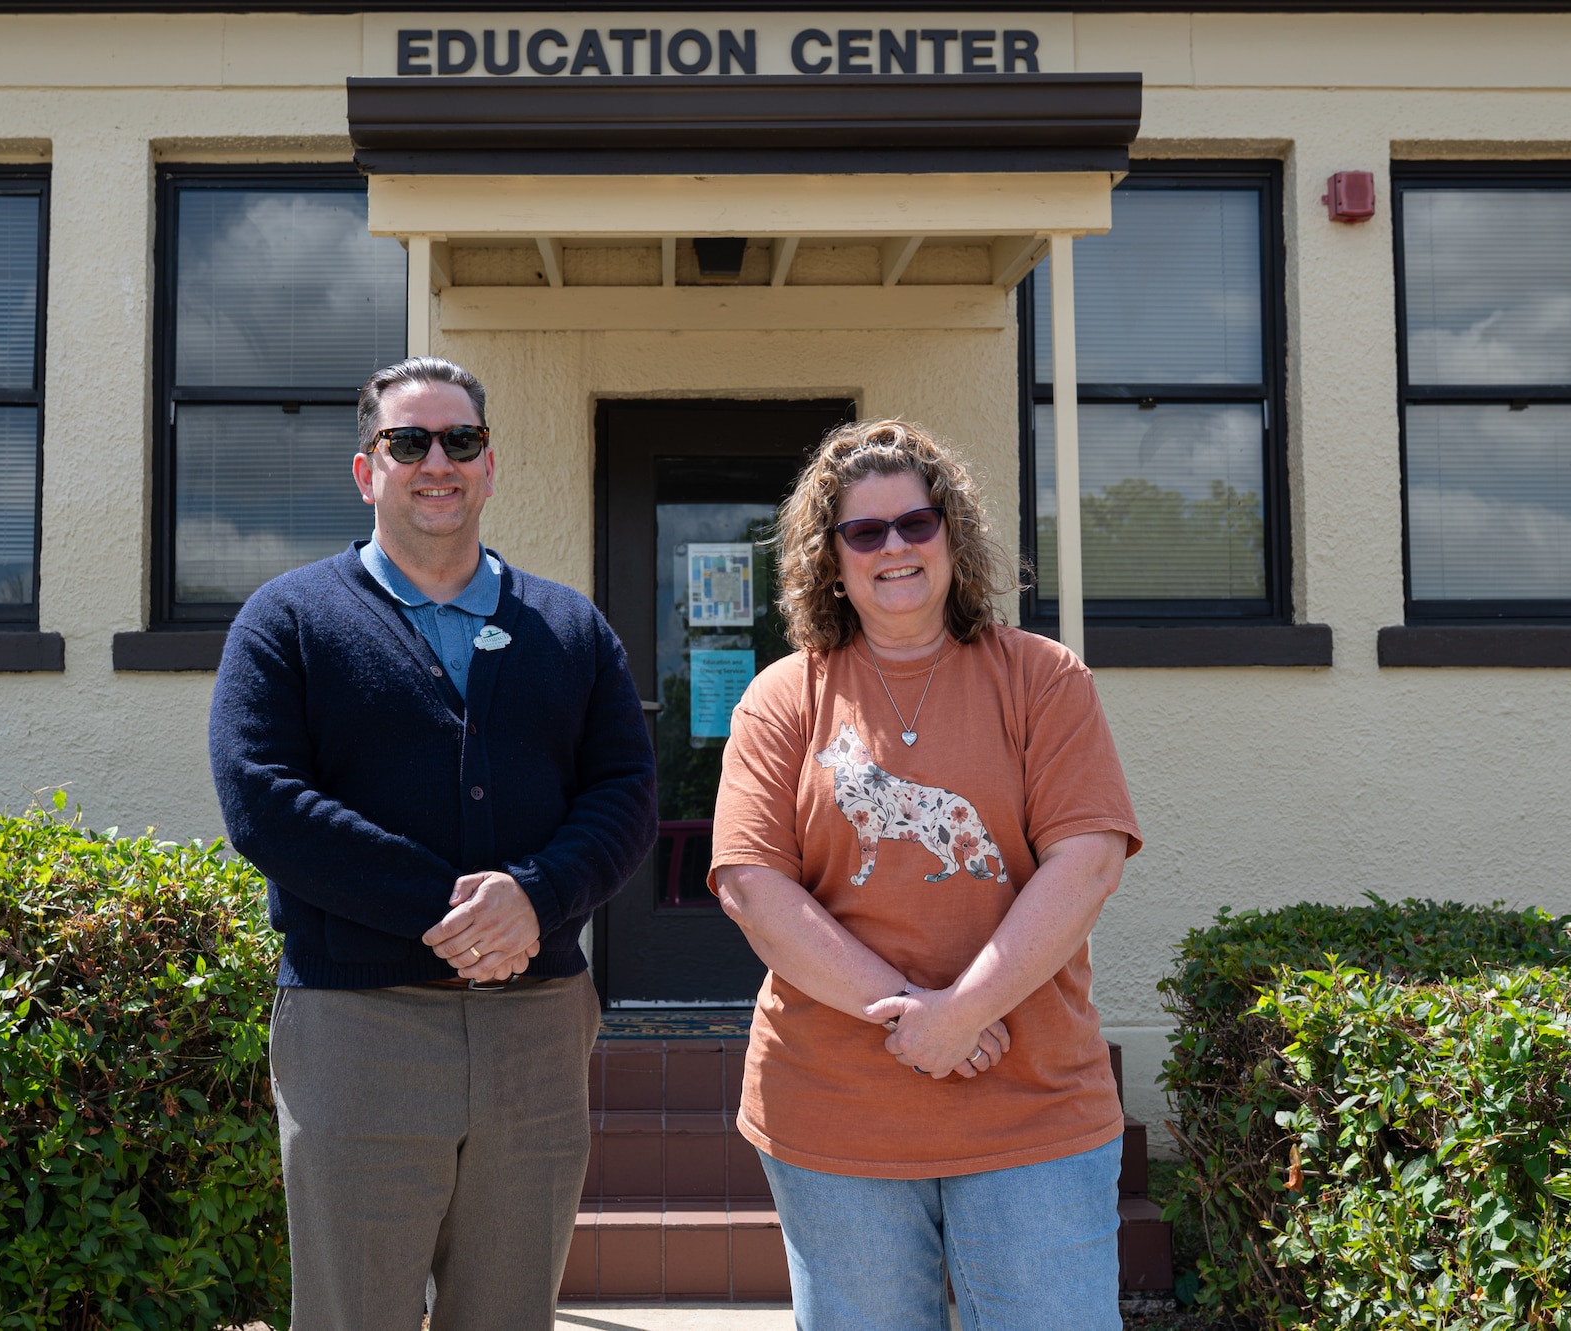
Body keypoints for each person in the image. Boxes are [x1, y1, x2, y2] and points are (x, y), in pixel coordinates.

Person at [209, 356, 656, 1331]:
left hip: (534, 1023)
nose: (437, 461)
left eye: (461, 440)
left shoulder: (569, 627)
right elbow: (262, 801)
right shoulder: (285, 622)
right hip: (357, 1021)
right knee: (351, 1311)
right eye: (407, 442)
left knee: (506, 1311)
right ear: (366, 471)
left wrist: (532, 899)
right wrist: (448, 912)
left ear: (490, 466)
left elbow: (625, 792)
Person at [708, 419, 1142, 1331]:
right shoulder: (785, 697)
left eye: (917, 521)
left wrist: (967, 1011)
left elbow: (1088, 858)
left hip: (1033, 1110)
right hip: (837, 1114)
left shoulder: (1043, 678)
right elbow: (752, 884)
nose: (895, 547)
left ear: (954, 533)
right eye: (864, 532)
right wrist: (917, 1016)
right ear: (830, 560)